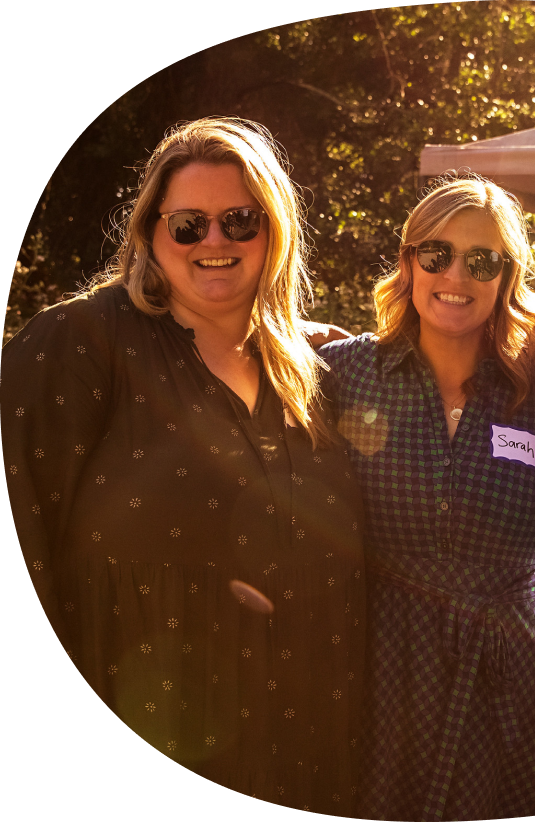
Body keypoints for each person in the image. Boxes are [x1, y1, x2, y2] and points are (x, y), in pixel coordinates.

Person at [1, 118, 366, 813]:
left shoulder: (309, 371)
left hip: (306, 752)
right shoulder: (80, 343)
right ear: (149, 232)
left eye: (239, 220)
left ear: (275, 231)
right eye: (188, 225)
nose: (216, 242)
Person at [319, 174, 535, 821]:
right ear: (408, 262)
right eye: (436, 254)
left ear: (506, 276)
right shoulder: (342, 372)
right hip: (380, 663)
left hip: (509, 670)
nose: (456, 274)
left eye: (481, 260)